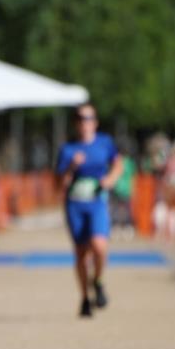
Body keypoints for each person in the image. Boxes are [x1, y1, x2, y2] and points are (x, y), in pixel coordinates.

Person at [56, 104, 123, 318]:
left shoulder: (105, 143)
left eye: (89, 118)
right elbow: (59, 182)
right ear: (76, 123)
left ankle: (99, 281)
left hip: (97, 202)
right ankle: (85, 298)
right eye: (80, 118)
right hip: (75, 204)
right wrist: (71, 167)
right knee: (81, 253)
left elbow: (118, 164)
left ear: (95, 122)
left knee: (99, 245)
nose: (85, 122)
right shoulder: (68, 149)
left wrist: (110, 180)